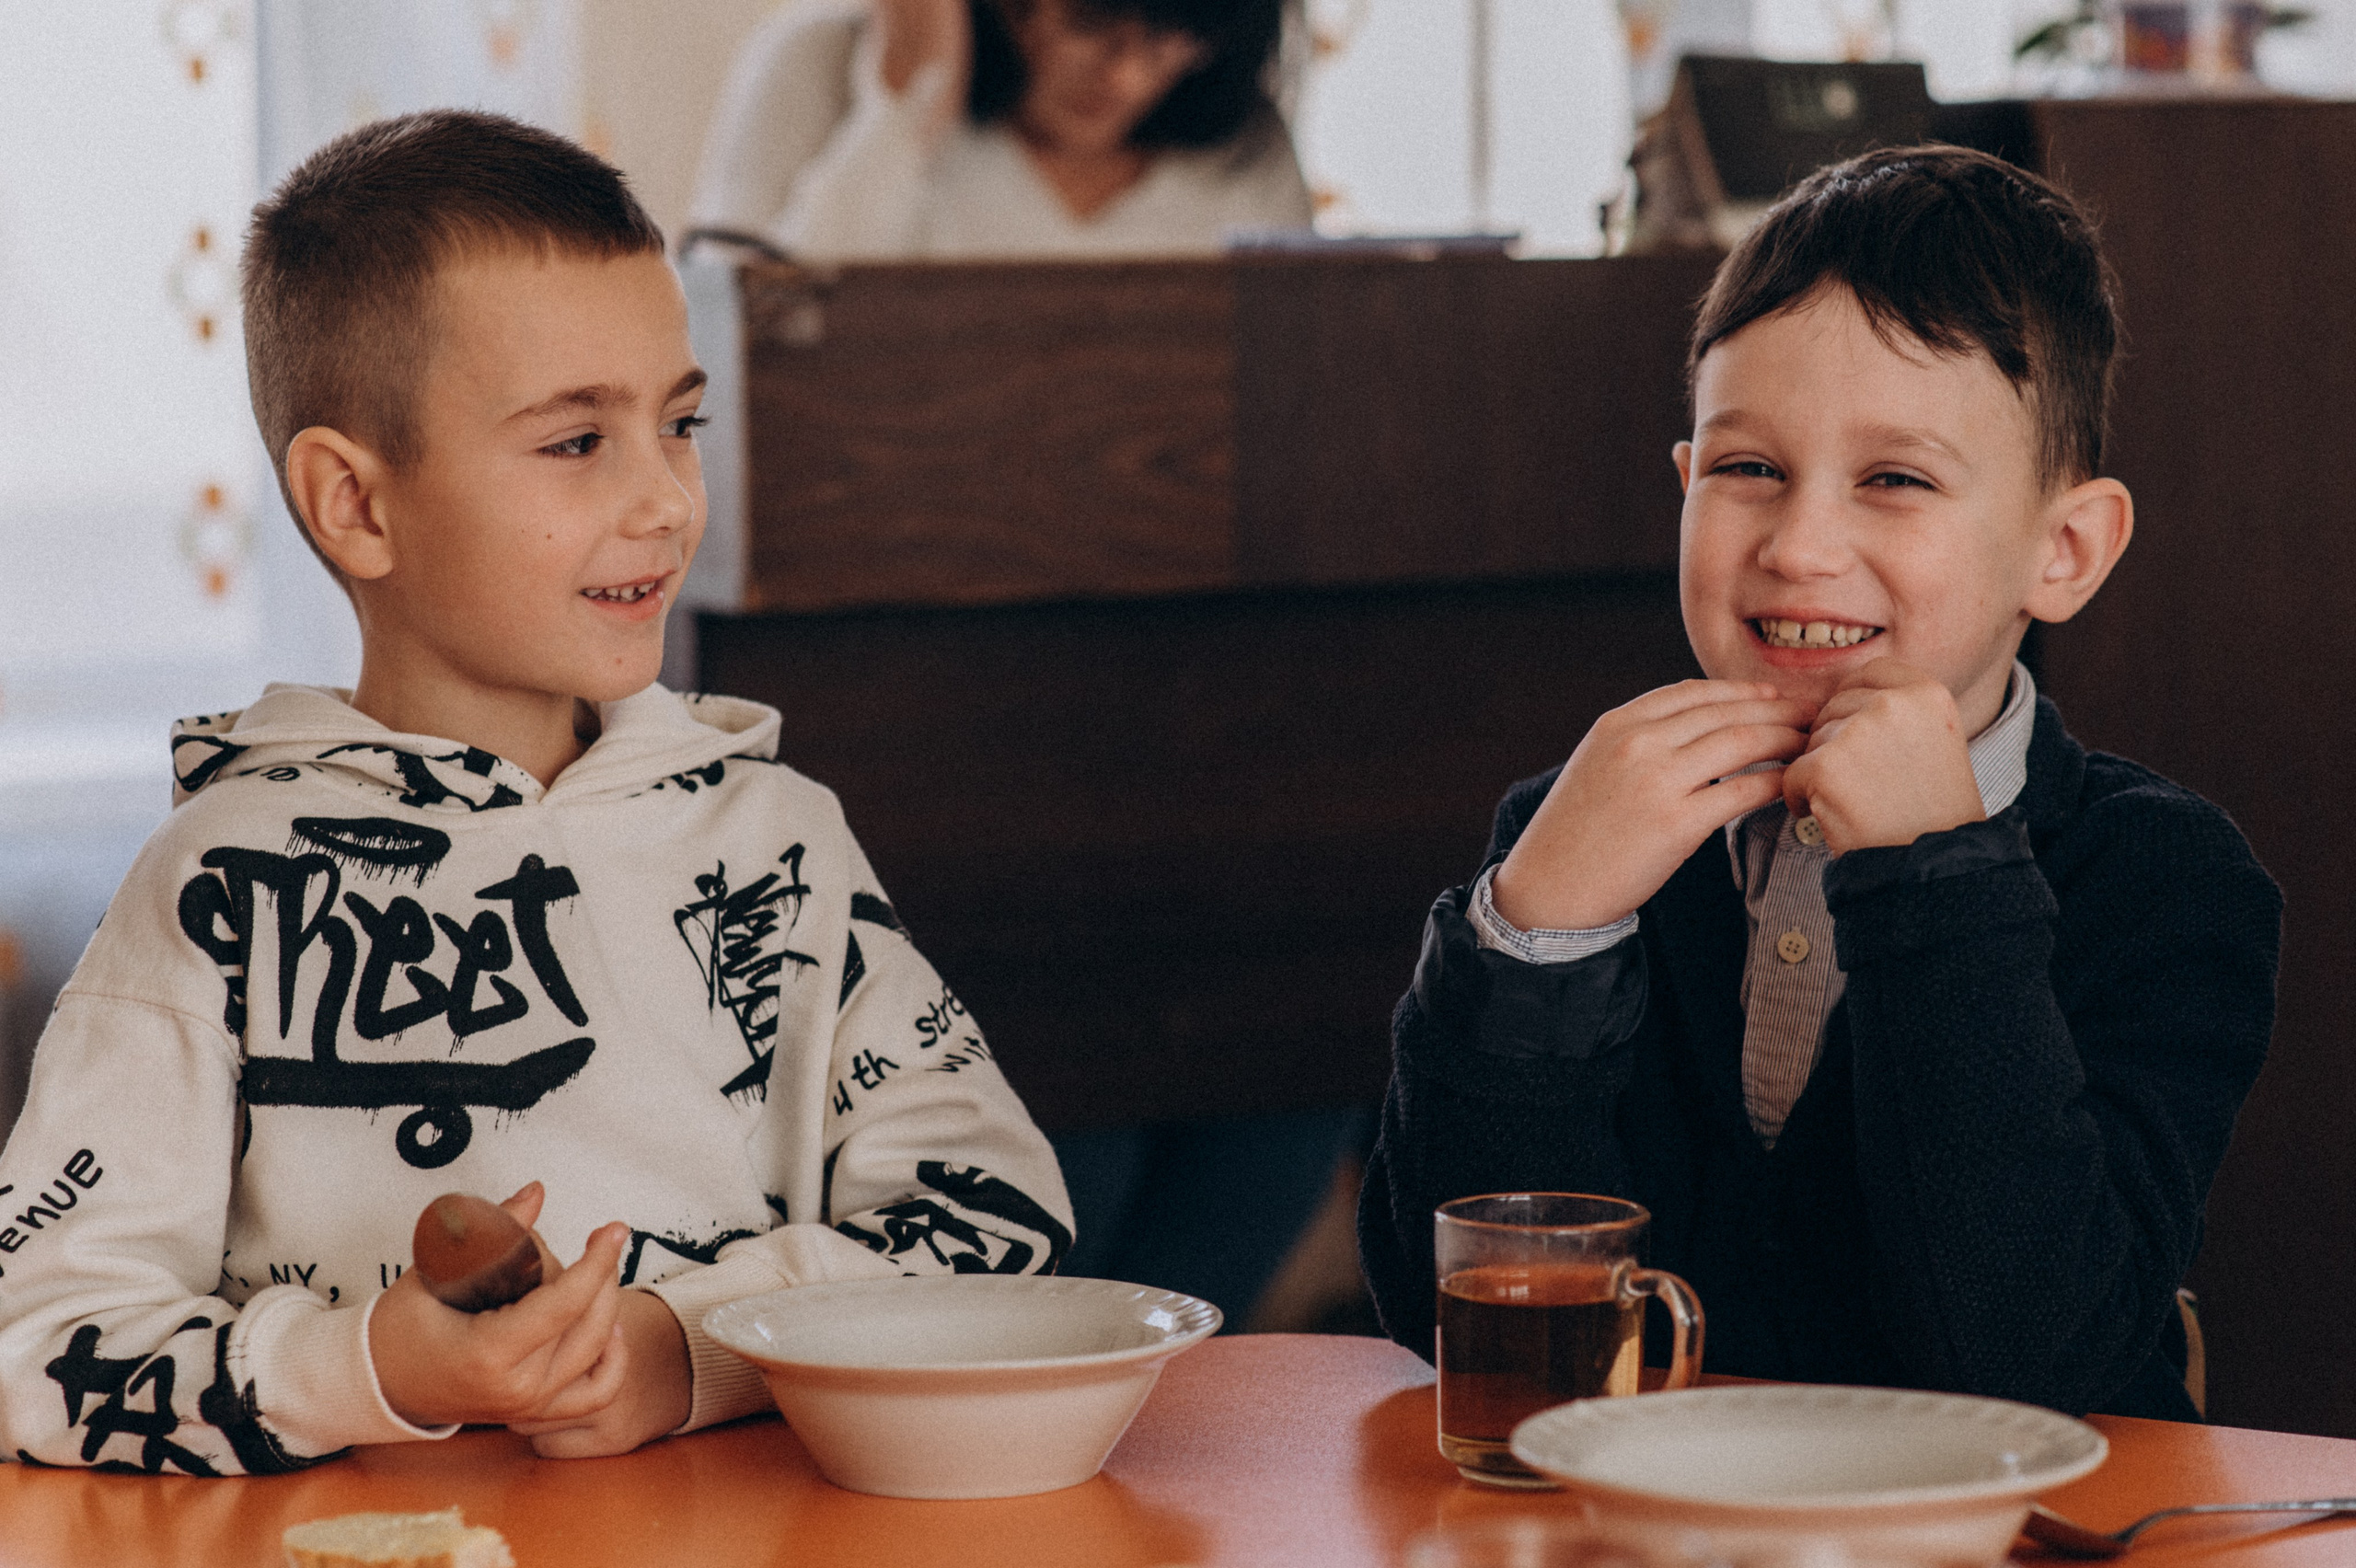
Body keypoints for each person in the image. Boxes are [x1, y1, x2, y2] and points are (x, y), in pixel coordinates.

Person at [0, 110, 1071, 1475]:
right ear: (356, 506)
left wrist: (689, 1349)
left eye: (679, 423)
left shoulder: (779, 842)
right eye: (576, 443)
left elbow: (994, 1222)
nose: (669, 501)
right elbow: (36, 1341)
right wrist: (370, 1368)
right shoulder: (213, 890)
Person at [1358, 144, 2281, 1422]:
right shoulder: (1573, 834)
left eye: (1895, 481)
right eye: (1748, 470)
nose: (1798, 546)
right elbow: (1451, 1323)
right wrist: (1535, 937)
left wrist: (1937, 885)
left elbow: (2032, 1365)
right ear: (1686, 487)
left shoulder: (2163, 879)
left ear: (2063, 549)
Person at [688, 0, 1311, 261]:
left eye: (1171, 39)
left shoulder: (1248, 146)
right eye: (1090, 21)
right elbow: (751, 361)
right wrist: (905, 107)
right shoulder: (813, 61)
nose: (1124, 77)